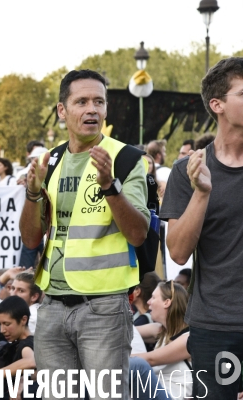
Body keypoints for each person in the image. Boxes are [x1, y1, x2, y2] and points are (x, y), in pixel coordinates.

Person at [19, 69, 150, 398]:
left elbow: (138, 234)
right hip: (51, 306)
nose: (92, 109)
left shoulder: (126, 158)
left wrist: (109, 185)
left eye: (99, 102)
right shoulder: (50, 161)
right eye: (81, 101)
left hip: (104, 307)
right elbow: (31, 240)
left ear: (106, 110)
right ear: (62, 111)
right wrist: (33, 194)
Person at [161, 57, 243, 399]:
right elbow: (178, 252)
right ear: (218, 104)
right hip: (216, 326)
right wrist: (202, 194)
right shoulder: (187, 171)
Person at [131, 281, 192, 400]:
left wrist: (111, 361)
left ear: (167, 302)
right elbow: (124, 332)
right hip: (156, 392)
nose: (148, 302)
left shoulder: (188, 338)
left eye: (153, 297)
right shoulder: (161, 331)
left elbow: (150, 359)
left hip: (172, 397)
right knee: (128, 330)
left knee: (138, 365)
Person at [0, 296, 36, 400]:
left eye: (7, 324)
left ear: (23, 320)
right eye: (0, 324)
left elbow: (31, 361)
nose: (2, 330)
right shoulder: (15, 342)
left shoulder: (26, 345)